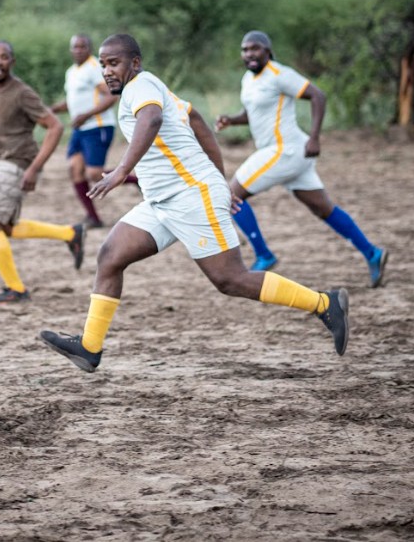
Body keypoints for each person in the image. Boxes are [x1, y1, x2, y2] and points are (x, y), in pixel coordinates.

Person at [39, 34, 350, 373]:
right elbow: (197, 119)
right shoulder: (151, 88)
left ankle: (324, 303)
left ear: (135, 63)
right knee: (110, 256)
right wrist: (220, 180)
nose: (107, 71)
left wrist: (123, 171)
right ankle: (89, 347)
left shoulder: (140, 87)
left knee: (230, 279)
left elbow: (152, 120)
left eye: (113, 63)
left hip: (190, 196)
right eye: (103, 64)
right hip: (163, 200)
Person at [215, 30, 389, 287]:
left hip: (284, 149)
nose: (249, 54)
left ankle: (264, 255)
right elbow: (254, 111)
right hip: (286, 153)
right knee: (322, 208)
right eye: (245, 49)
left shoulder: (280, 74)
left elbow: (318, 95)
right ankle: (373, 253)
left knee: (231, 195)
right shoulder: (248, 79)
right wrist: (233, 120)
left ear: (268, 51)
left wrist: (315, 137)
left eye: (255, 48)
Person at [0, 40, 86, 304]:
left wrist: (35, 168)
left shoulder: (22, 93)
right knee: (4, 226)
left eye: (4, 57)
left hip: (16, 163)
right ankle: (70, 234)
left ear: (12, 62)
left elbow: (55, 127)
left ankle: (15, 289)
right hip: (3, 161)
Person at [50, 34, 120, 229]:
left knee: (94, 173)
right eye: (75, 47)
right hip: (80, 129)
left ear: (89, 48)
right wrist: (54, 109)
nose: (78, 50)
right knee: (74, 169)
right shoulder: (71, 71)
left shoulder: (95, 68)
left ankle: (133, 179)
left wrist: (87, 115)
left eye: (83, 46)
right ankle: (93, 217)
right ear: (71, 50)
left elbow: (111, 96)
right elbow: (73, 101)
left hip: (98, 126)